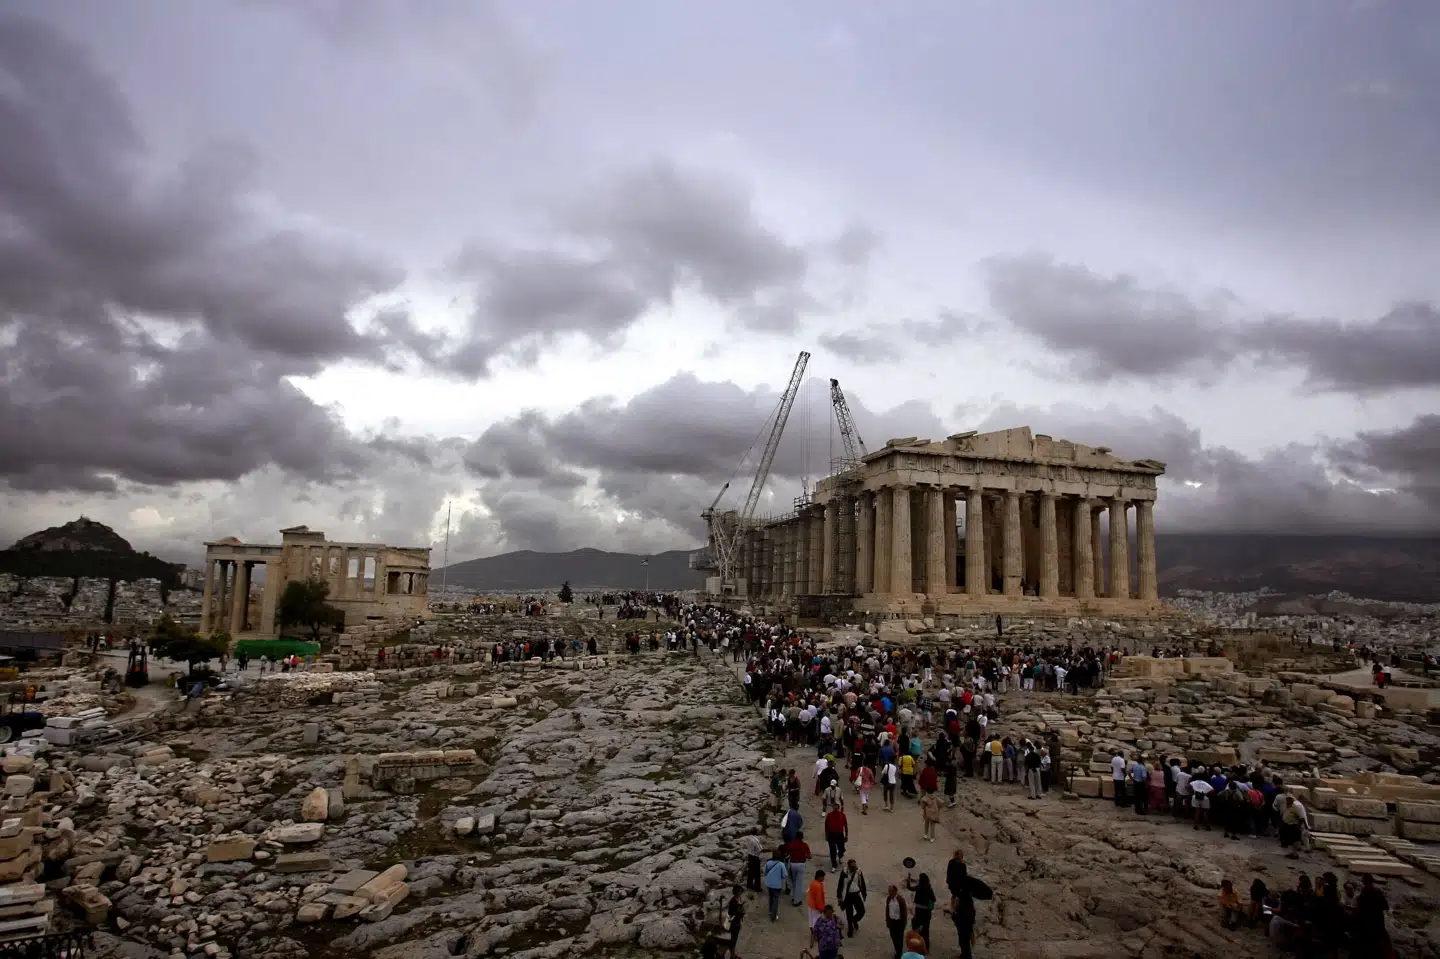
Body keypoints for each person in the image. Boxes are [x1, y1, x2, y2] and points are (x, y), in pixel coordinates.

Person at [837, 859, 868, 938]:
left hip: (856, 894)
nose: (854, 868)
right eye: (852, 867)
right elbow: (840, 884)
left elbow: (862, 883)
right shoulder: (844, 872)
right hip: (847, 896)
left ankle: (854, 920)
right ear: (849, 867)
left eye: (855, 866)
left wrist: (864, 894)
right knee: (849, 913)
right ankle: (850, 929)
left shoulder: (858, 872)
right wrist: (839, 897)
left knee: (862, 911)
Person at [911, 872, 936, 947]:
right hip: (927, 913)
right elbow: (934, 899)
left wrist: (909, 881)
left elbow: (910, 888)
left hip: (919, 912)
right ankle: (926, 946)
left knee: (917, 928)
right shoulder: (929, 888)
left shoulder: (919, 888)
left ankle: (919, 945)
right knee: (926, 930)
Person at [885, 884, 909, 959]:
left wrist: (904, 923)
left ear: (895, 891)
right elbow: (887, 910)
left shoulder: (901, 900)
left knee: (899, 938)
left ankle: (899, 953)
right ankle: (897, 950)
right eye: (889, 892)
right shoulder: (888, 899)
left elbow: (904, 913)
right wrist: (887, 921)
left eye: (891, 892)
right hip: (892, 922)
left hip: (899, 922)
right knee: (893, 937)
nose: (890, 894)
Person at [763, 849, 787, 921]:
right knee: (776, 899)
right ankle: (774, 915)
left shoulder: (768, 863)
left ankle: (770, 912)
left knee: (770, 897)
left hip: (769, 883)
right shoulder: (781, 864)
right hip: (777, 885)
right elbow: (785, 875)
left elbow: (764, 872)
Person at [824, 804, 849, 870]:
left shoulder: (842, 815)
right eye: (834, 808)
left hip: (840, 834)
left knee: (841, 848)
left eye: (836, 809)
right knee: (832, 850)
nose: (835, 810)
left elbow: (845, 826)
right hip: (831, 835)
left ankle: (840, 856)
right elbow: (826, 825)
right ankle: (834, 865)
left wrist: (846, 835)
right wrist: (826, 835)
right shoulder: (829, 815)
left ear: (838, 808)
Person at [807, 869, 828, 939]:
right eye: (823, 877)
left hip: (810, 905)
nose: (823, 878)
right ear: (819, 877)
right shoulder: (818, 885)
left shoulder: (813, 883)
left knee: (811, 920)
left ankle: (812, 934)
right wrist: (821, 908)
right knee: (816, 921)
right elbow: (818, 898)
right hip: (816, 907)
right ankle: (815, 935)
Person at [725, 885, 745, 955]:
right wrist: (738, 911)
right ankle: (732, 955)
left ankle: (733, 954)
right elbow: (730, 913)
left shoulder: (738, 899)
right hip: (734, 923)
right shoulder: (732, 901)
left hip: (738, 921)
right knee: (733, 939)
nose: (741, 892)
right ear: (736, 892)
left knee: (735, 939)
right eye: (740, 891)